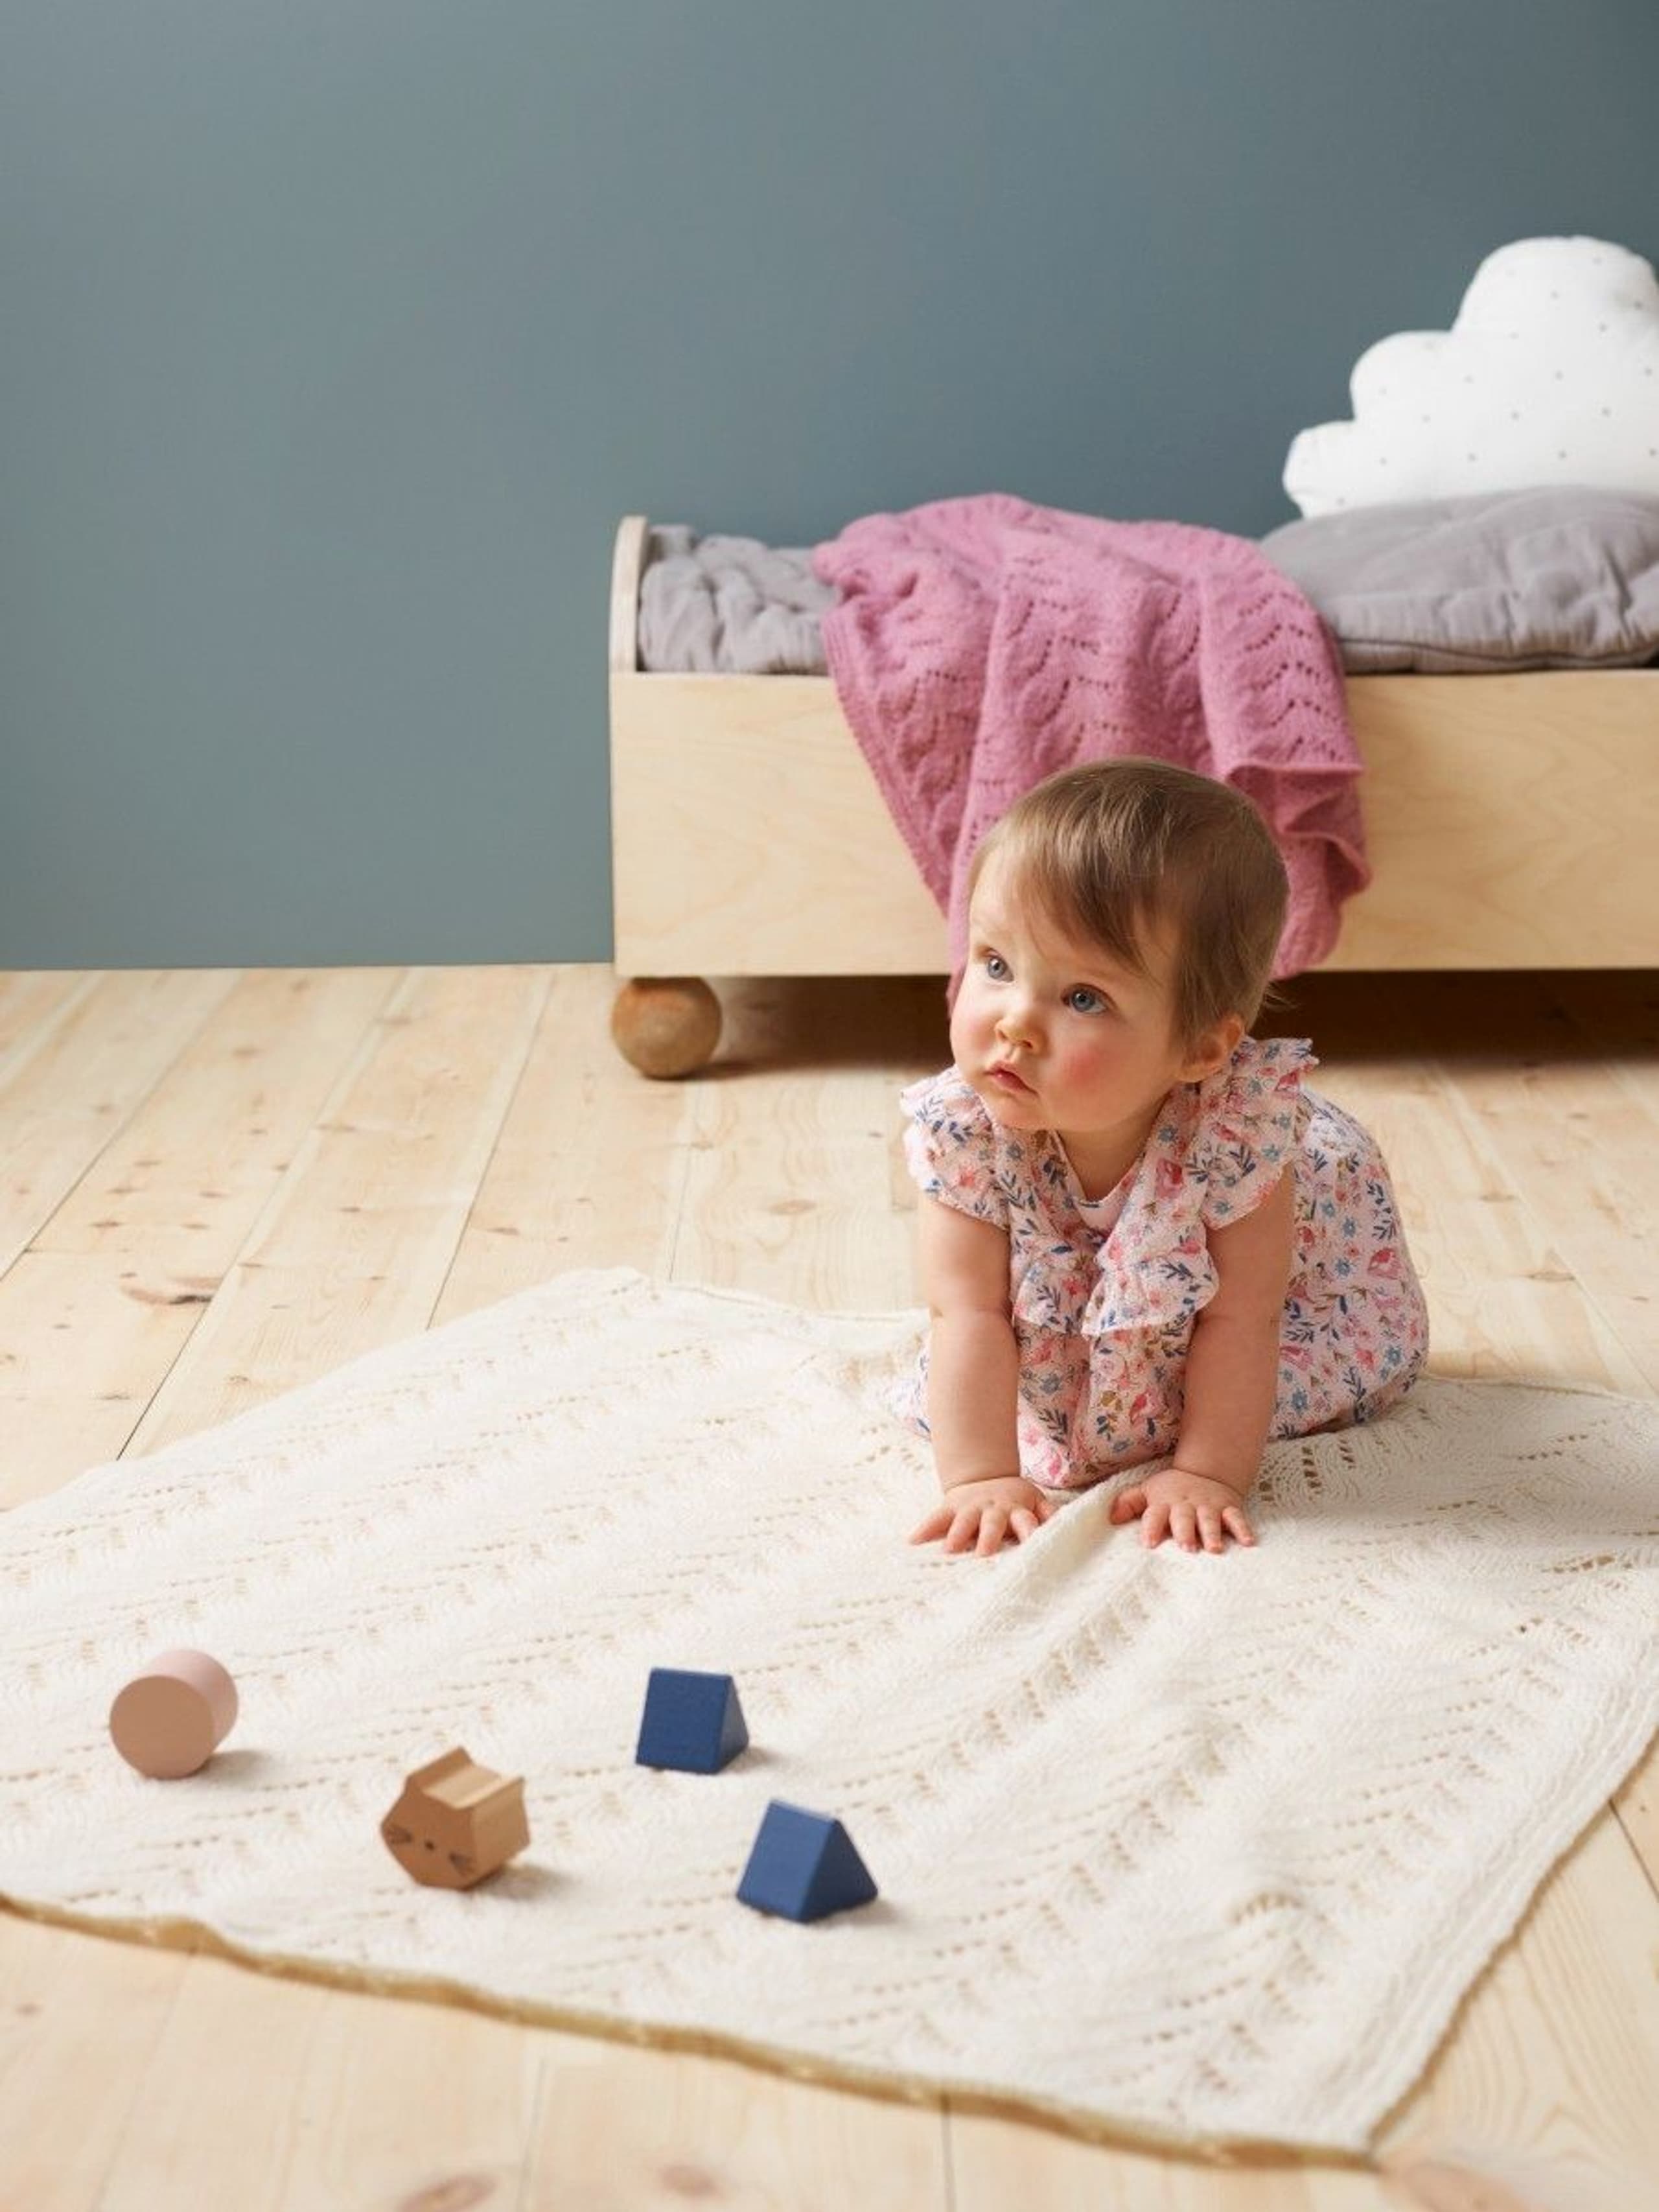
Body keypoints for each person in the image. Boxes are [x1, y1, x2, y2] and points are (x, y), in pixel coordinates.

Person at [899, 757, 1429, 1559]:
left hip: (1276, 1307)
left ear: (1200, 1048)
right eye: (996, 964)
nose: (1014, 1023)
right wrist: (979, 1476)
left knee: (1234, 1363)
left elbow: (1241, 1320)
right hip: (1071, 1309)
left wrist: (1207, 1473)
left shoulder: (1240, 1143)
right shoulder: (967, 1130)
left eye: (1082, 997)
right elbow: (965, 1312)